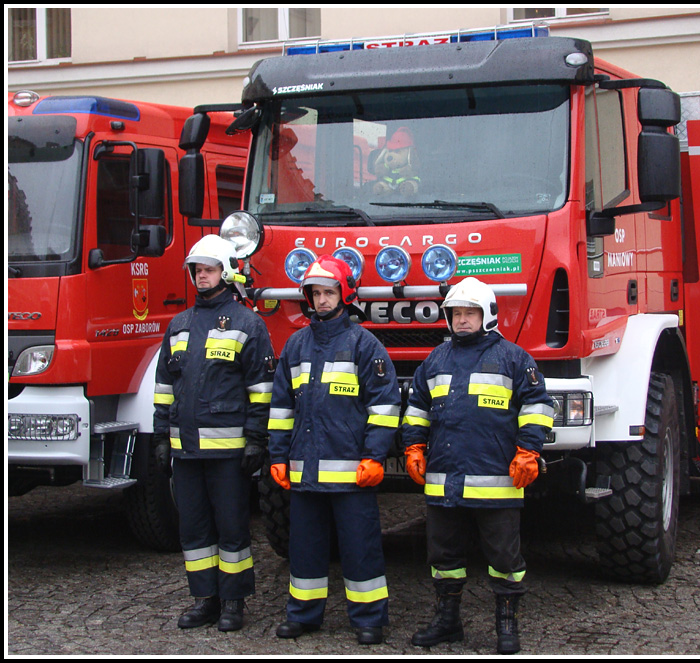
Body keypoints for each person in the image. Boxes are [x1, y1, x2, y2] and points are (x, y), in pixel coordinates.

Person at [401, 277, 555, 655]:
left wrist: (528, 451)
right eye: (456, 314)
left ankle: (506, 624)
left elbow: (538, 405)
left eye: (470, 313)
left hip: (497, 482)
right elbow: (417, 408)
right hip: (444, 480)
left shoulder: (514, 358)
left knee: (504, 557)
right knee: (443, 556)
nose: (462, 320)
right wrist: (413, 447)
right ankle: (447, 621)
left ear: (487, 315)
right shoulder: (435, 360)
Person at [267, 255, 400, 645]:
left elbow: (385, 405)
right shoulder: (295, 344)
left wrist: (375, 456)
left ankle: (369, 619)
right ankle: (304, 615)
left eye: (328, 292)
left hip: (351, 474)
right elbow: (280, 407)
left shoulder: (364, 344)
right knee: (304, 549)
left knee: (361, 548)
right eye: (316, 294)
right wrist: (277, 457)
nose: (322, 301)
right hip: (305, 472)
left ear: (345, 295)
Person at [152, 235, 275, 632]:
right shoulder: (179, 325)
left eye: (207, 270)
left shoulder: (247, 323)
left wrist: (256, 439)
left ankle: (234, 602)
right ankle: (204, 599)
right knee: (194, 530)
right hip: (185, 451)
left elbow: (262, 390)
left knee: (232, 528)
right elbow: (164, 388)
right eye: (196, 270)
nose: (201, 277)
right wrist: (159, 437)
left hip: (228, 454)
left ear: (225, 271)